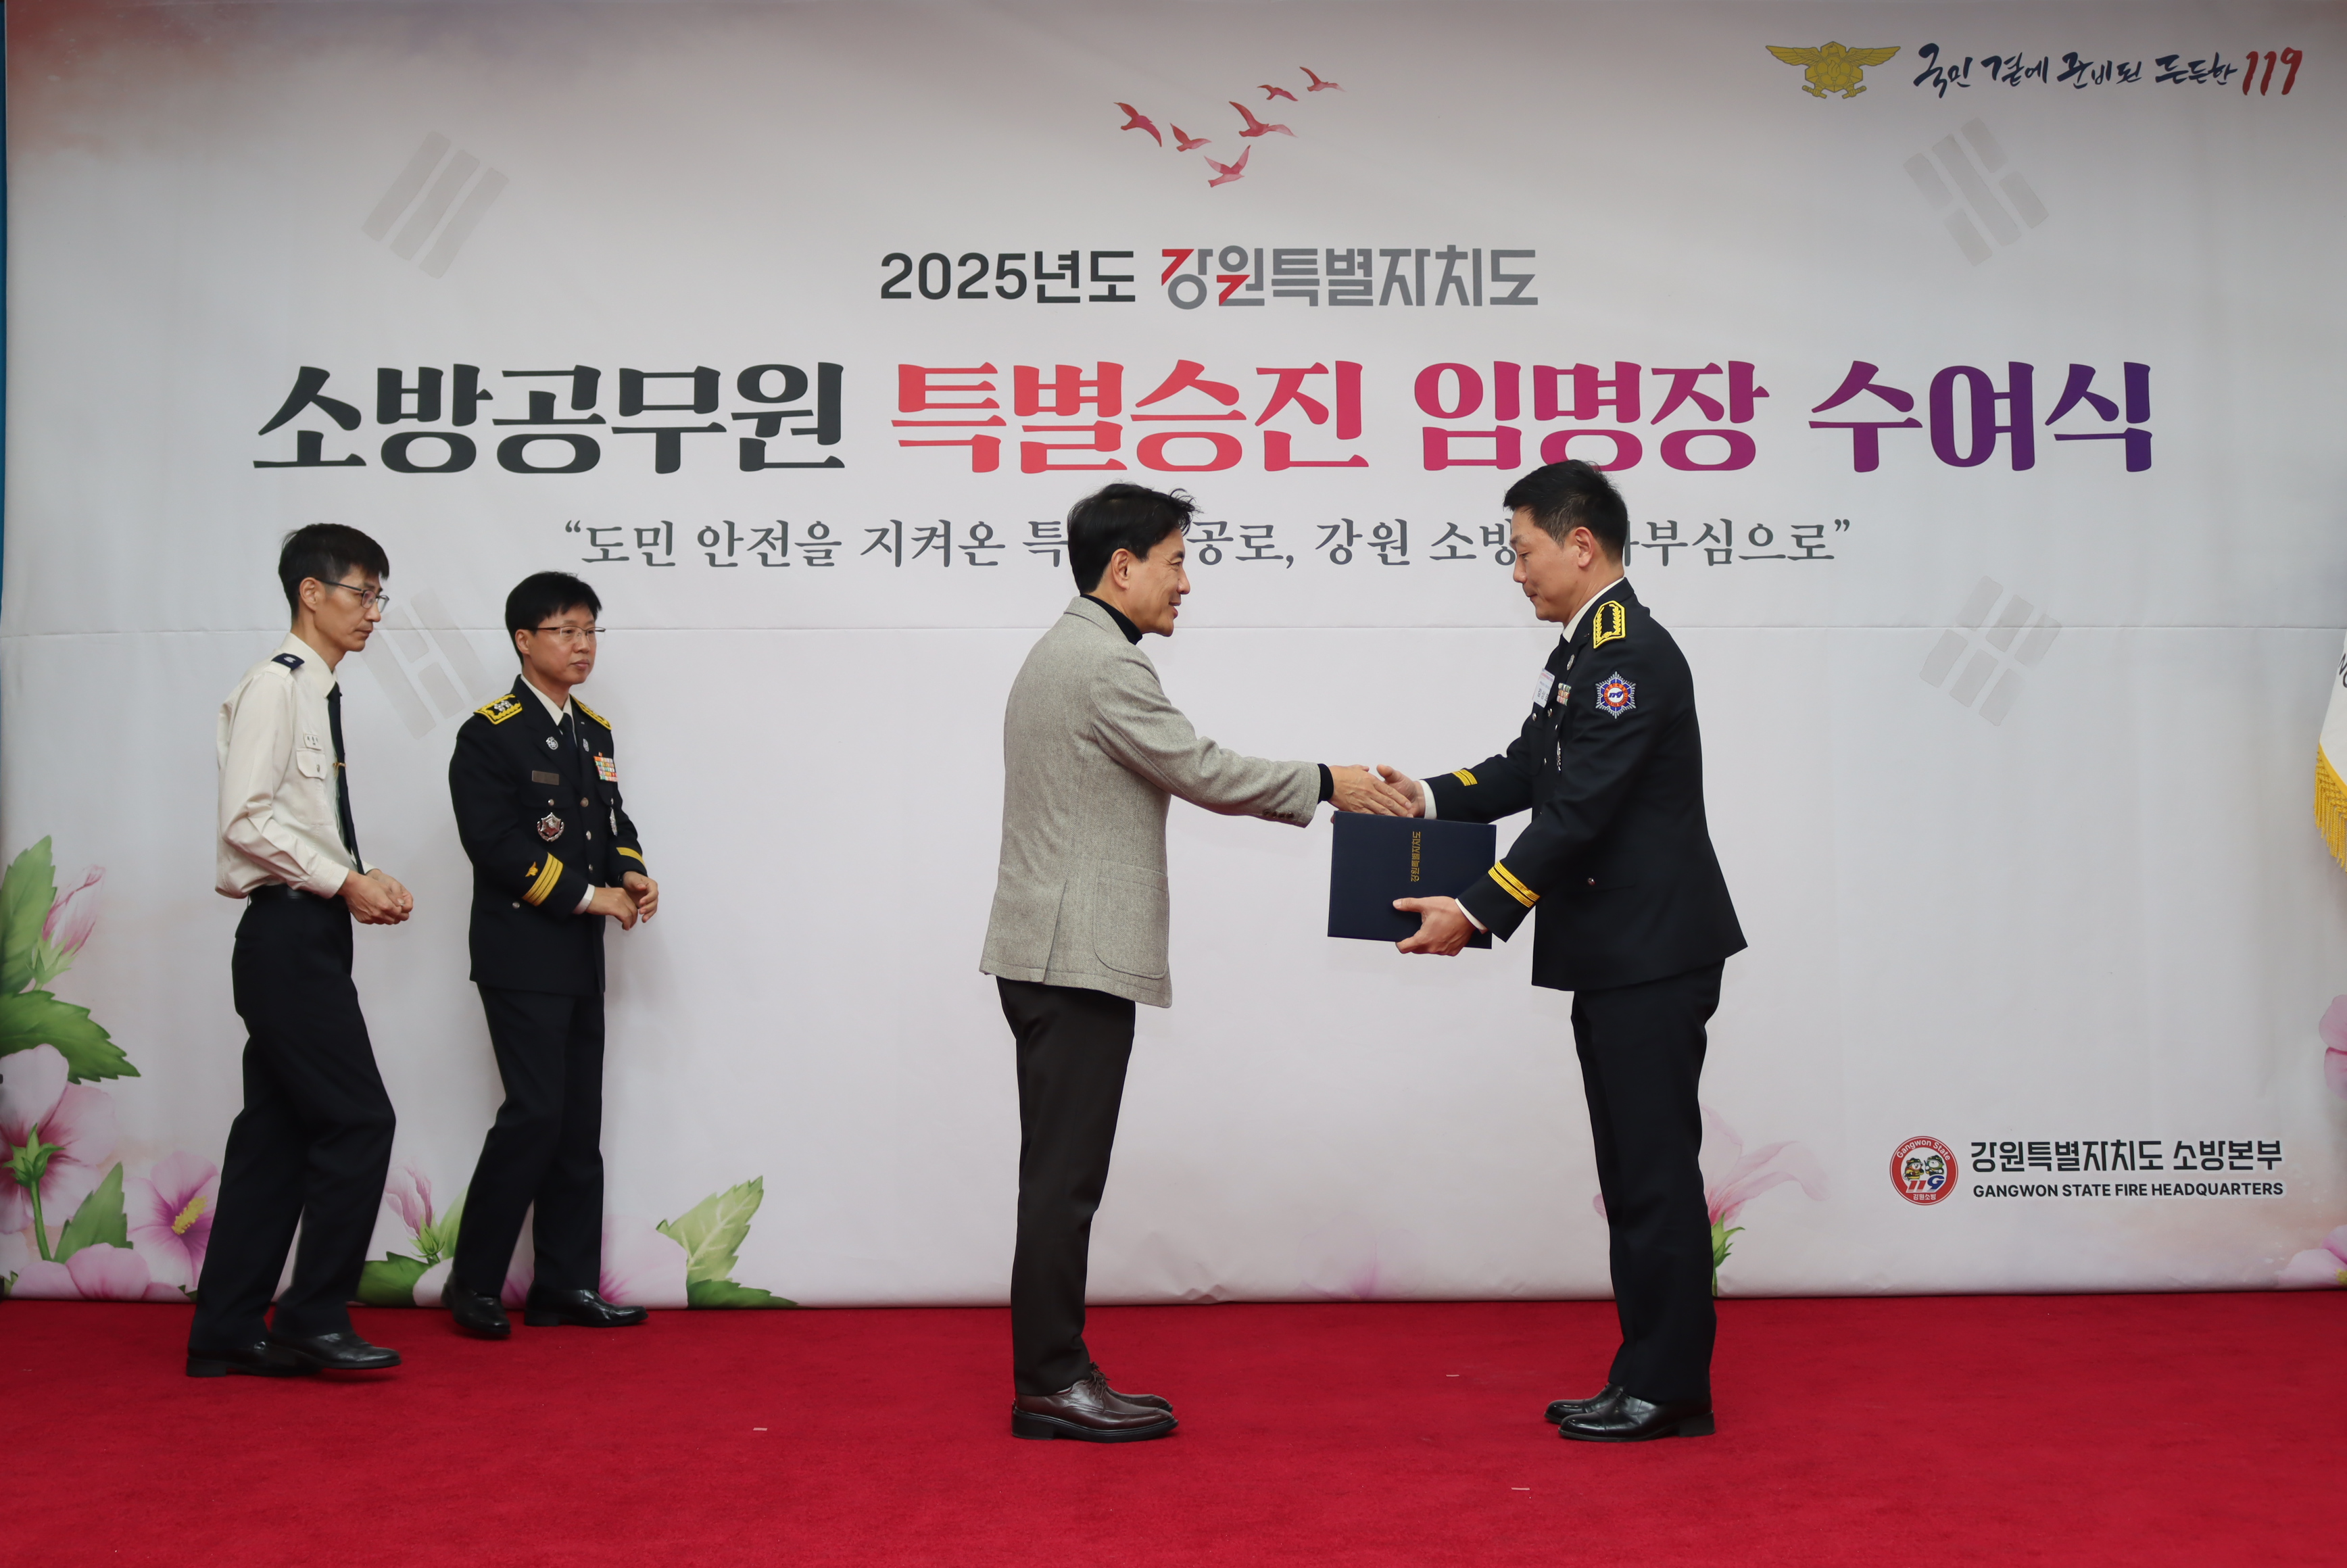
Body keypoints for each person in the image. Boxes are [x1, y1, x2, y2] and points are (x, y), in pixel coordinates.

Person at [980, 483, 1416, 1442]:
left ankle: (1056, 1372)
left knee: (1058, 1177)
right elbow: (1202, 769)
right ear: (1121, 566)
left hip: (1054, 953)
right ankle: (1050, 1381)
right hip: (1072, 958)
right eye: (1175, 562)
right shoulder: (1103, 663)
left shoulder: (1071, 651)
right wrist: (1329, 783)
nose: (1186, 583)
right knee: (1063, 1182)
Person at [1382, 461, 1746, 1442]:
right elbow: (1528, 767)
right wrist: (1426, 797)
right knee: (1630, 1173)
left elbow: (1578, 812)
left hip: (1651, 953)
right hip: (1618, 952)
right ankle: (1645, 1375)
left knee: (1653, 1173)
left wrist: (1477, 910)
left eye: (1523, 550)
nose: (1516, 572)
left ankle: (1669, 1388)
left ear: (1580, 544)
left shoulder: (1631, 656)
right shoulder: (1583, 651)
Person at [189, 524, 414, 1379]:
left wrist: (359, 876)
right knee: (359, 1120)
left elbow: (297, 822)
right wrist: (343, 880)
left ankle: (226, 1330)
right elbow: (244, 820)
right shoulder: (276, 686)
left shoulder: (317, 692)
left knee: (275, 1136)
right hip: (285, 935)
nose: (373, 612)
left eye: (380, 596)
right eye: (361, 592)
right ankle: (313, 1317)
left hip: (308, 927)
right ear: (310, 593)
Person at [441, 572, 658, 1338]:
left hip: (579, 958)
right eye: (565, 631)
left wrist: (630, 871)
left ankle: (565, 1285)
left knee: (576, 1125)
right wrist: (590, 896)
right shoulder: (489, 733)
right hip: (521, 953)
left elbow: (612, 819)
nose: (582, 645)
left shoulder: (591, 730)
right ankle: (473, 1283)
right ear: (523, 640)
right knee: (532, 1116)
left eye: (590, 630)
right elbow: (495, 846)